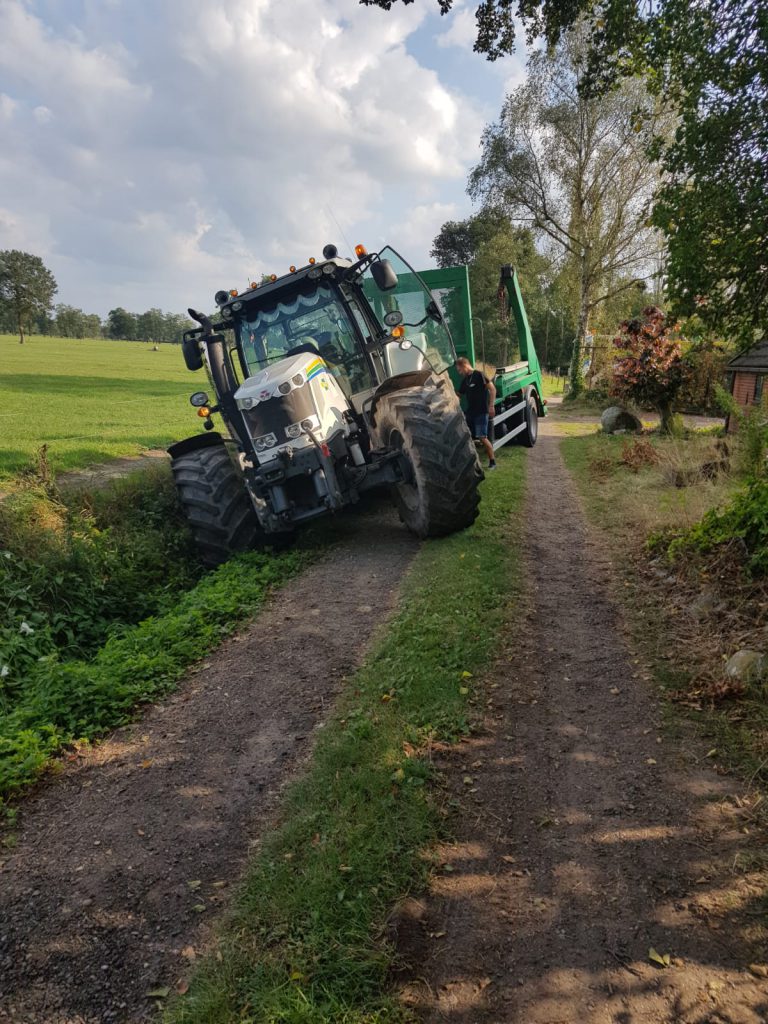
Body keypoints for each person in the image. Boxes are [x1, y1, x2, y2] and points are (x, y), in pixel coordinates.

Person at [455, 356, 497, 469]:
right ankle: (471, 463)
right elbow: (459, 395)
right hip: (470, 413)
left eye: (459, 370)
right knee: (466, 436)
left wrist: (491, 406)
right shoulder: (465, 380)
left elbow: (492, 389)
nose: (459, 373)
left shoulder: (479, 375)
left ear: (464, 366)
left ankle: (492, 462)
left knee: (482, 437)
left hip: (481, 412)